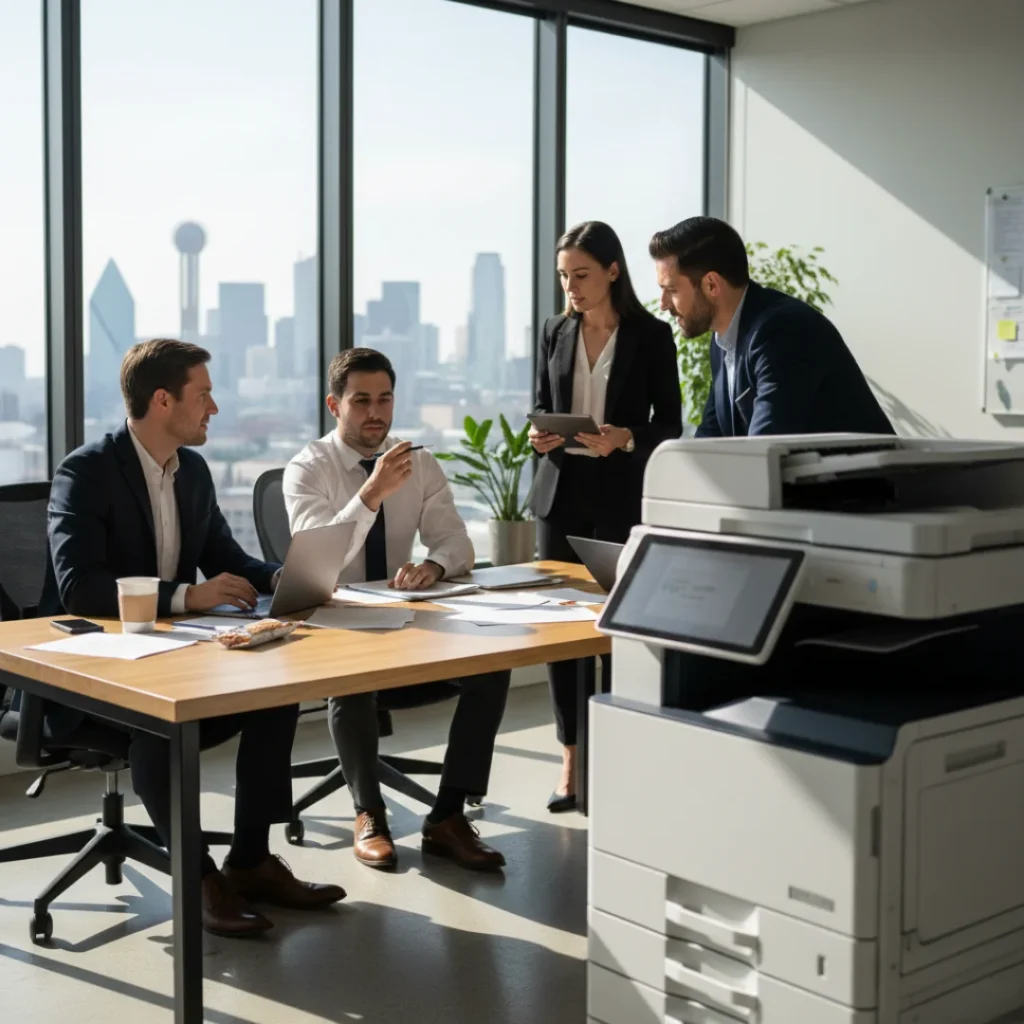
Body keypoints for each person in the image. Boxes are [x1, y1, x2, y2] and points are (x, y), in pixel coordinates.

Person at [40, 339, 346, 937]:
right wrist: (186, 597)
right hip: (82, 677)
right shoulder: (86, 472)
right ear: (162, 400)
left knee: (274, 695)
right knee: (162, 727)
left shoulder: (193, 472)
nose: (214, 407)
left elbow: (225, 559)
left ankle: (252, 861)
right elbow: (81, 588)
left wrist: (285, 578)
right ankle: (199, 879)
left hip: (167, 657)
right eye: (203, 394)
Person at [283, 347, 510, 873]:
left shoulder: (420, 462)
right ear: (333, 405)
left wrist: (433, 565)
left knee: (491, 669)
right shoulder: (307, 469)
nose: (376, 413)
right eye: (361, 401)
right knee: (354, 679)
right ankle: (370, 814)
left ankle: (448, 815)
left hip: (405, 626)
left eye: (384, 399)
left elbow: (457, 542)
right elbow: (322, 561)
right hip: (334, 628)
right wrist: (372, 491)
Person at [529, 221, 682, 813]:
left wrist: (624, 438)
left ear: (613, 270)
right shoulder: (554, 331)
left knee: (618, 631)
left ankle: (617, 759)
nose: (570, 287)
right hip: (561, 495)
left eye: (582, 275)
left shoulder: (651, 336)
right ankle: (570, 762)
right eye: (564, 276)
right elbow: (541, 404)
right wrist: (542, 434)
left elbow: (669, 424)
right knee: (560, 636)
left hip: (620, 498)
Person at [649, 216, 894, 438]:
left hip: (854, 486)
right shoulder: (723, 342)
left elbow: (765, 448)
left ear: (712, 285)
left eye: (671, 290)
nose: (663, 304)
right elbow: (710, 438)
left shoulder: (782, 330)